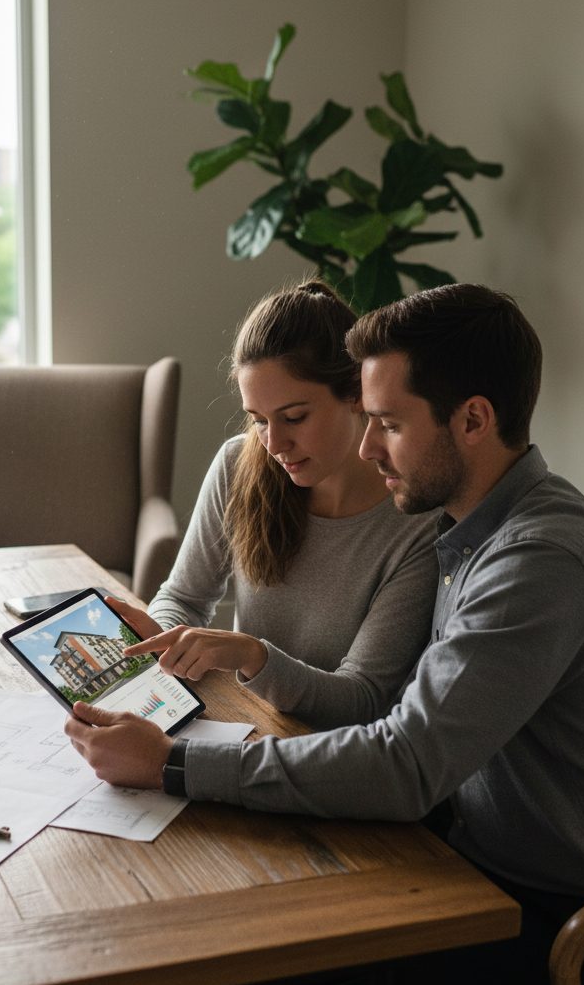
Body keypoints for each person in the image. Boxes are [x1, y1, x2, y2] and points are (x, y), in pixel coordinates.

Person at [66, 284, 584, 985]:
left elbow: (403, 761)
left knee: (267, 957)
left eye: (387, 423)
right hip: (479, 860)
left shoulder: (535, 561)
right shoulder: (471, 532)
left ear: (475, 420)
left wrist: (173, 764)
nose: (366, 444)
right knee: (241, 936)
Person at [131, 279, 441, 729]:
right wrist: (157, 637)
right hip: (243, 729)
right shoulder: (239, 464)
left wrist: (253, 656)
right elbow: (182, 598)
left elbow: (363, 698)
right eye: (258, 420)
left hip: (331, 760)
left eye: (294, 417)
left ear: (356, 392)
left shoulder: (417, 522)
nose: (274, 444)